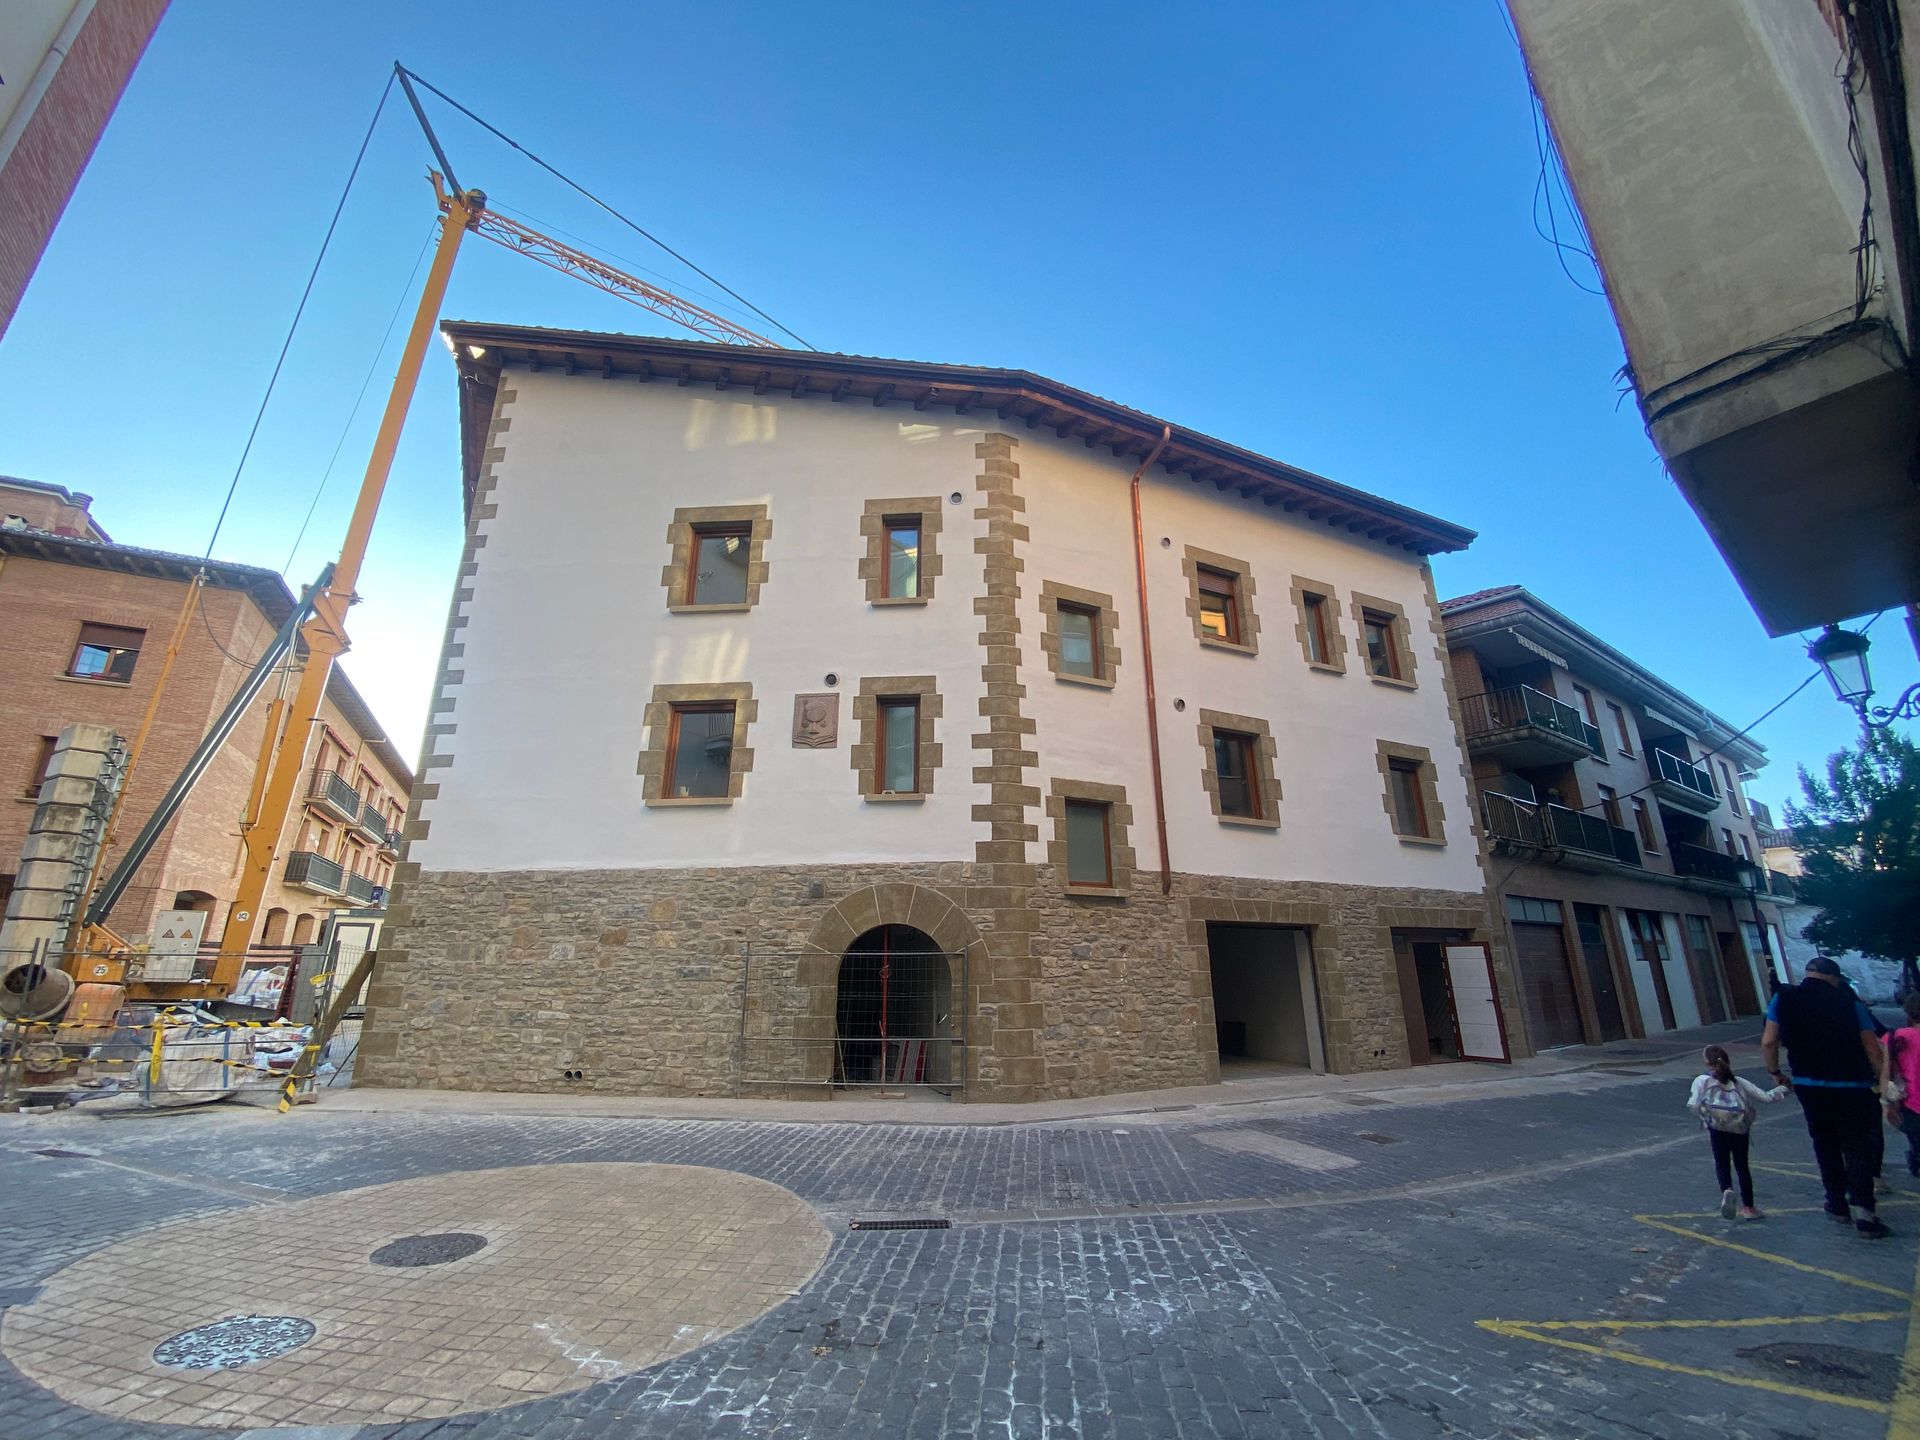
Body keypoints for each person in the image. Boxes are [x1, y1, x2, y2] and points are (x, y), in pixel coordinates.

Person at [1762, 955, 1891, 1238]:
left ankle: (1835, 1203)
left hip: (1809, 1084)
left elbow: (1769, 1040)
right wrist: (1883, 1080)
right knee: (1856, 1145)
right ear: (1833, 977)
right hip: (1851, 1084)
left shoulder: (1783, 999)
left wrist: (1776, 1073)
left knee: (1824, 1142)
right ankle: (1866, 1214)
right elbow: (1870, 1046)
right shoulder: (1849, 1002)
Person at [1687, 1044, 1790, 1219]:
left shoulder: (1702, 1081)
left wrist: (1706, 1119)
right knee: (1742, 1167)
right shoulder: (1739, 1082)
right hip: (1739, 1129)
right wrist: (1785, 1088)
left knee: (1722, 1163)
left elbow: (1693, 1105)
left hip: (1717, 1128)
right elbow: (1765, 1097)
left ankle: (1727, 1190)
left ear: (1707, 1063)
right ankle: (1749, 1208)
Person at [1883, 993, 1920, 1178]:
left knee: (1916, 1139)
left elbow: (1886, 1070)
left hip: (1910, 1101)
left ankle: (1916, 1160)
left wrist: (1887, 1102)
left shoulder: (1895, 1037)